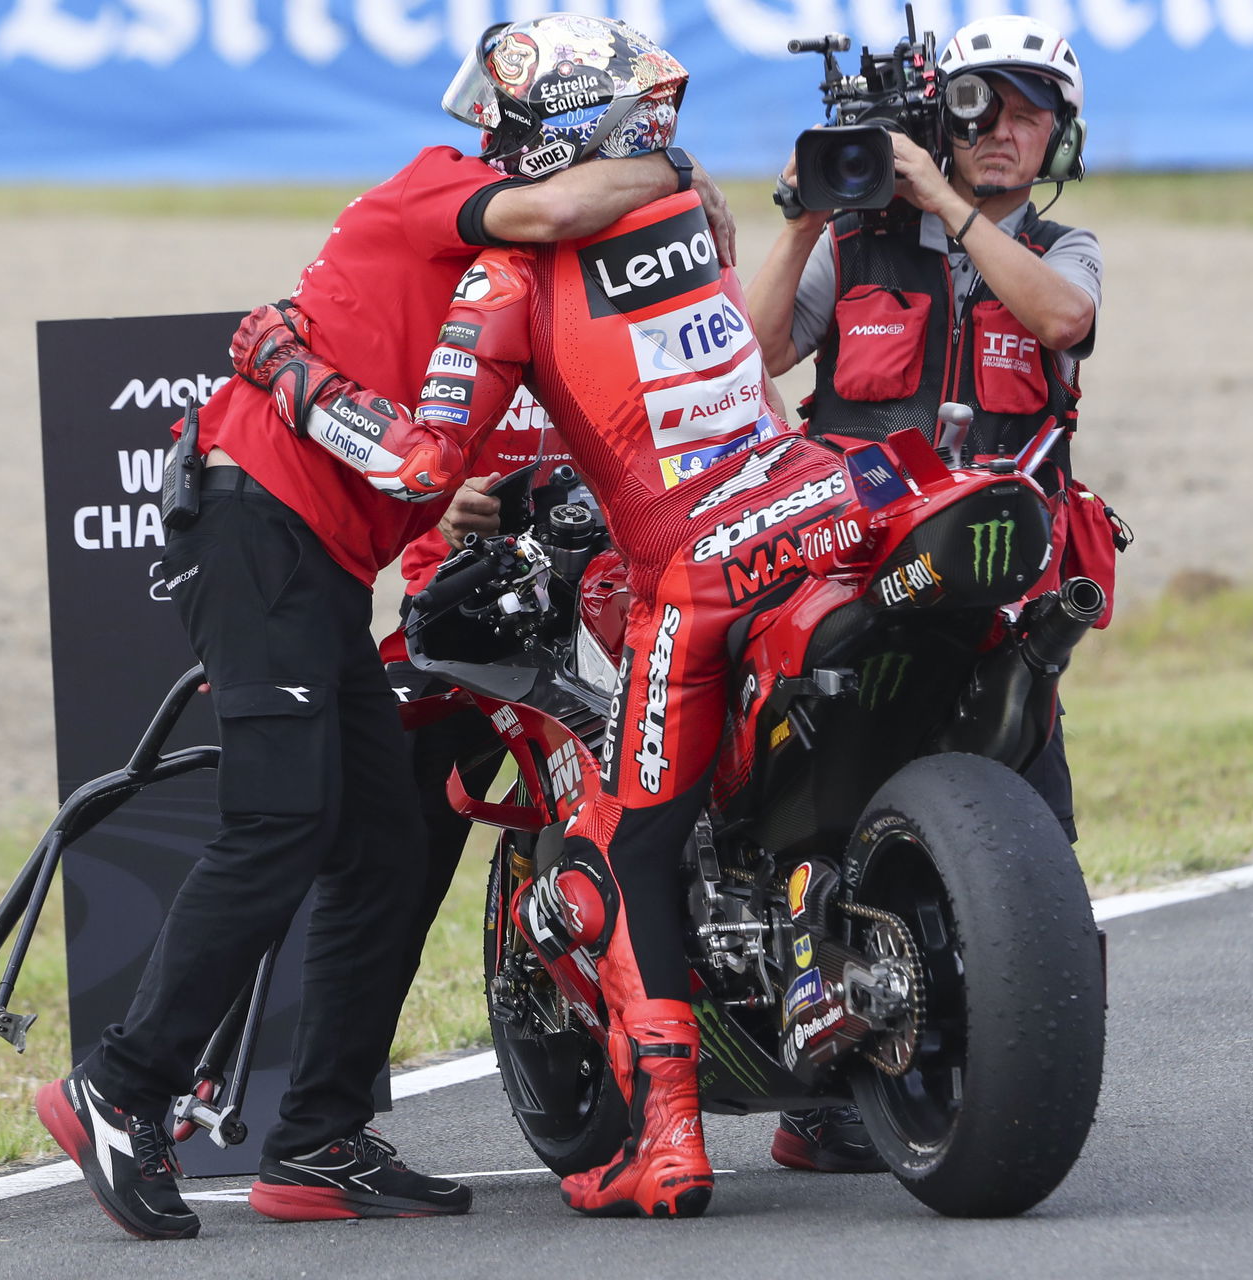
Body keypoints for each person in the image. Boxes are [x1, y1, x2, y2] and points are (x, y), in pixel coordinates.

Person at [33, 14, 739, 1240]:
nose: (657, 153)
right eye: (640, 133)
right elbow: (556, 214)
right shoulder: (448, 185)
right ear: (584, 134)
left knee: (378, 845)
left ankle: (316, 1139)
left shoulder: (537, 231)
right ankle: (119, 1084)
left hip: (310, 548)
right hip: (256, 528)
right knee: (283, 819)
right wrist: (677, 174)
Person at [229, 16, 867, 1219]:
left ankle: (669, 1130)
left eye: (503, 121)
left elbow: (417, 463)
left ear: (552, 134)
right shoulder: (696, 213)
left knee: (624, 837)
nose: (481, 139)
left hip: (678, 569)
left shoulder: (502, 271)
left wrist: (290, 374)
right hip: (812, 502)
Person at [746, 11, 1103, 1172]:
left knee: (1036, 840)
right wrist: (806, 224)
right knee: (767, 760)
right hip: (840, 566)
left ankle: (994, 1051)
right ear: (939, 115)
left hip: (994, 590)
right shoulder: (857, 244)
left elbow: (1064, 320)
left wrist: (950, 213)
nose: (1003, 128)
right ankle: (797, 1059)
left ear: (1060, 133)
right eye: (980, 104)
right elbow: (748, 366)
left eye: (1029, 109)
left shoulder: (1064, 247)